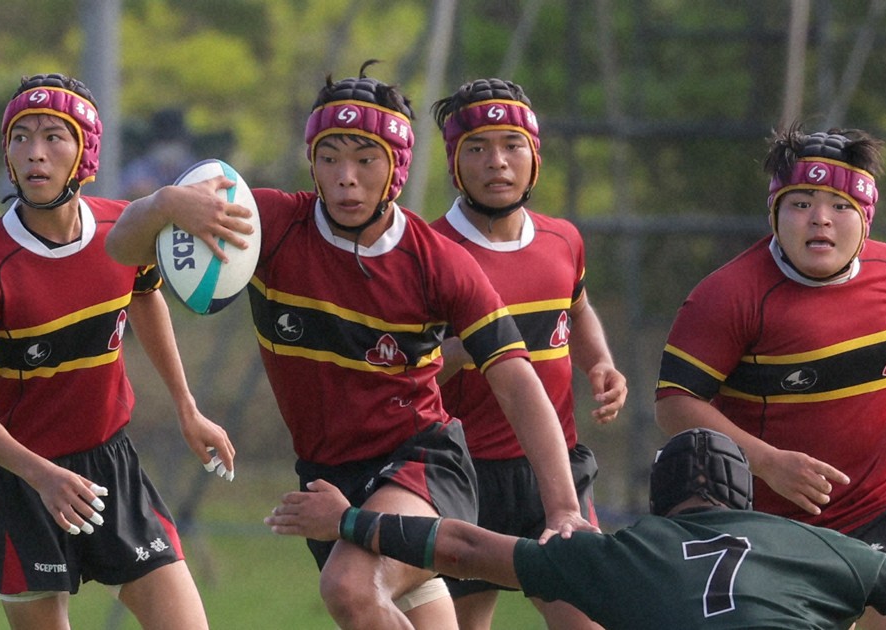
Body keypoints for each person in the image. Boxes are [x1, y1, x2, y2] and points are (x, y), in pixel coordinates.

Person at [105, 61, 596, 630]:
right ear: (311, 162)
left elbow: (517, 380)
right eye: (330, 157)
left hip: (421, 463)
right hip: (327, 474)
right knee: (373, 603)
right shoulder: (270, 225)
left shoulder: (437, 262)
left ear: (397, 168)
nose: (345, 178)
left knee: (350, 586)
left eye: (366, 160)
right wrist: (165, 204)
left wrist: (564, 508)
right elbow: (122, 248)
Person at [0, 73, 235, 630]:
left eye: (53, 137)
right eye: (21, 137)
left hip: (111, 467)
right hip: (24, 480)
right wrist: (43, 476)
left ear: (86, 152)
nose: (35, 153)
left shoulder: (120, 230)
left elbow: (144, 296)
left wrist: (187, 407)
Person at [654, 124, 886, 629]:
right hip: (769, 523)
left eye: (841, 206)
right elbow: (674, 403)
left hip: (878, 503)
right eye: (801, 203)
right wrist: (768, 463)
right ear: (774, 213)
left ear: (865, 219)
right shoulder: (728, 295)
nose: (820, 218)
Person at [266, 427, 886, 629]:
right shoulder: (814, 546)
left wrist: (347, 518)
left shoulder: (621, 552)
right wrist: (851, 583)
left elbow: (463, 546)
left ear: (660, 503)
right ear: (746, 500)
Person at [427, 77, 626, 630]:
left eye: (512, 145)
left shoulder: (563, 240)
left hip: (553, 472)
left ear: (534, 156)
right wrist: (459, 353)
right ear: (454, 162)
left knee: (590, 620)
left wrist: (599, 363)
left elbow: (577, 309)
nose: (497, 162)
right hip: (463, 476)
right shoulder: (430, 251)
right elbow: (400, 375)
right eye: (477, 147)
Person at [121, 108, 198, 199]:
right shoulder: (137, 172)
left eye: (173, 142)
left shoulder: (193, 169)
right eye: (164, 143)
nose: (169, 149)